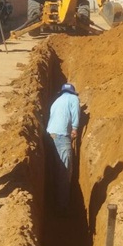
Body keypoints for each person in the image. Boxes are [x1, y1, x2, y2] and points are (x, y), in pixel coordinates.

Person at [46, 82, 81, 212]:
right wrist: (75, 129)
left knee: (55, 168)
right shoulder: (73, 98)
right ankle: (63, 207)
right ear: (73, 92)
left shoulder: (56, 101)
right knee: (65, 171)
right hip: (61, 136)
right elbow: (76, 113)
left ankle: (52, 201)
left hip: (51, 135)